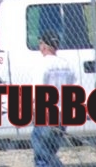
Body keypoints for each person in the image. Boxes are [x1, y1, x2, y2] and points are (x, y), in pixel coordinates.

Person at [32, 30, 77, 167]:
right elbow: (74, 89)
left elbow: (38, 90)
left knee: (42, 157)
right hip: (62, 114)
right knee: (50, 152)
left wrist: (33, 111)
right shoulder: (67, 65)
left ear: (43, 45)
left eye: (40, 43)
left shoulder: (42, 64)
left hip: (45, 114)